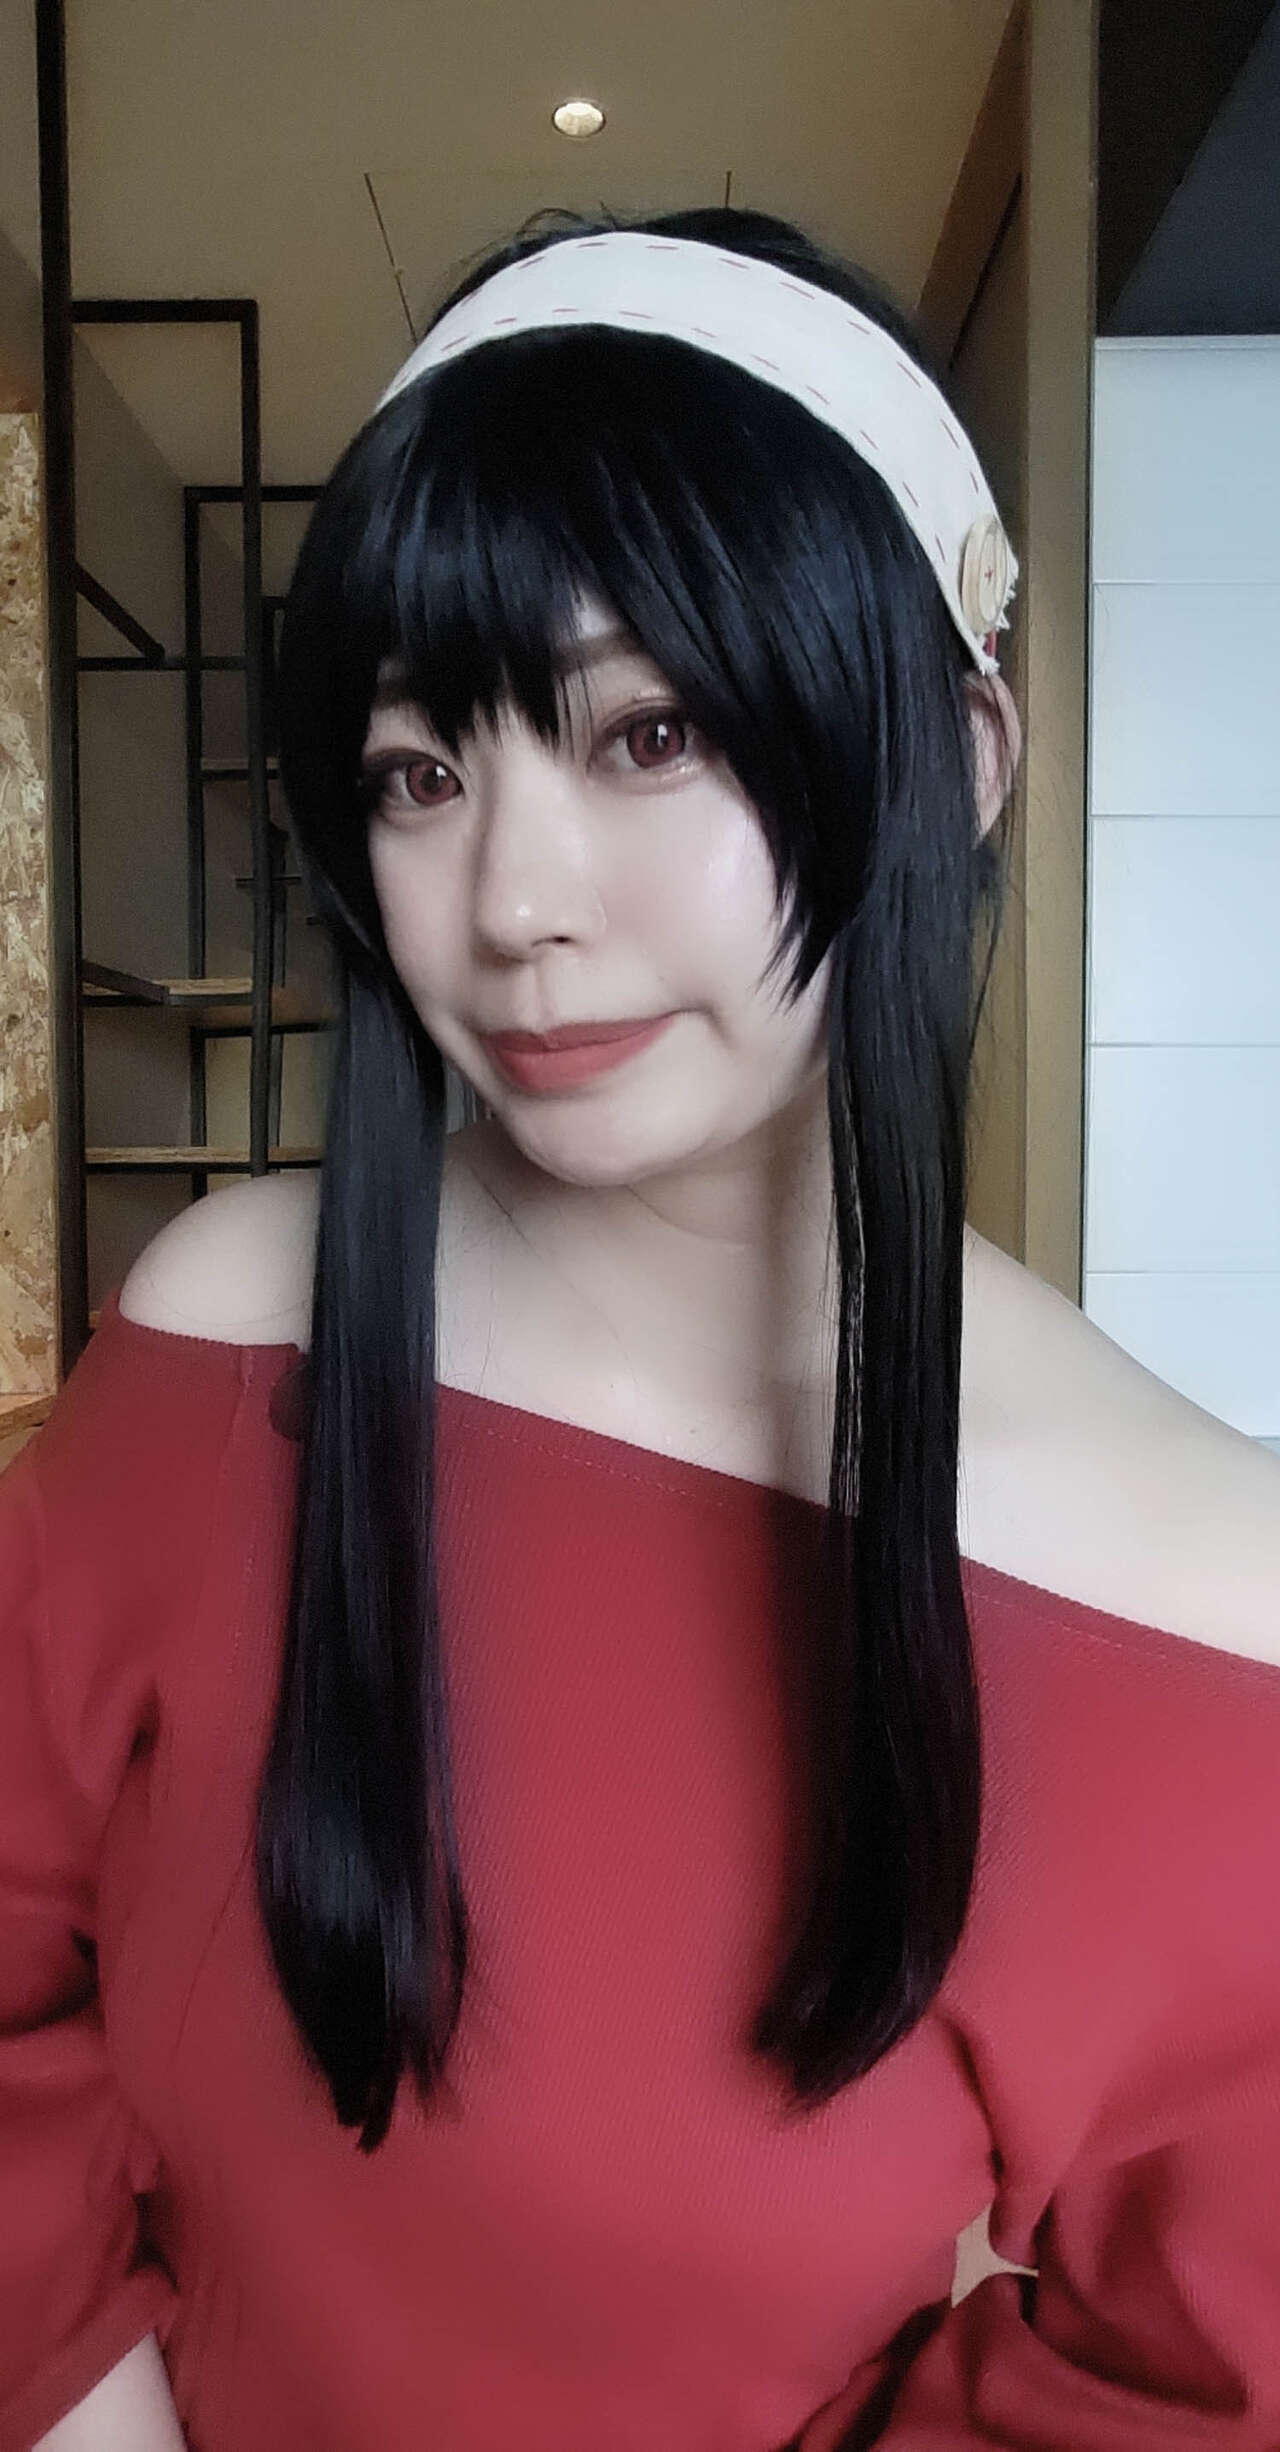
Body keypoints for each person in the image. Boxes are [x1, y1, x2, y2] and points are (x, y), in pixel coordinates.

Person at [5, 204, 1280, 2452]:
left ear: (960, 750)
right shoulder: (222, 1349)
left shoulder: (1206, 1610)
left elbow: (1194, 2380)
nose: (510, 900)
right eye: (421, 770)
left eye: (651, 730)